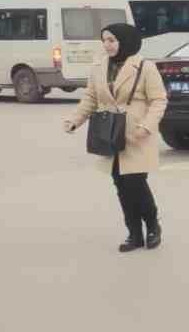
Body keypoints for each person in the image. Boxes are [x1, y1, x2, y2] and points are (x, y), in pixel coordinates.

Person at [62, 23, 169, 252]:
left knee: (136, 183)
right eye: (105, 40)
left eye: (112, 40)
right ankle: (133, 233)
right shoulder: (99, 66)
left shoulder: (144, 67)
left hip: (136, 134)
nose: (107, 45)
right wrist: (74, 120)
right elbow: (90, 98)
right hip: (109, 133)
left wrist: (147, 126)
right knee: (121, 184)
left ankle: (152, 226)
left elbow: (159, 100)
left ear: (125, 40)